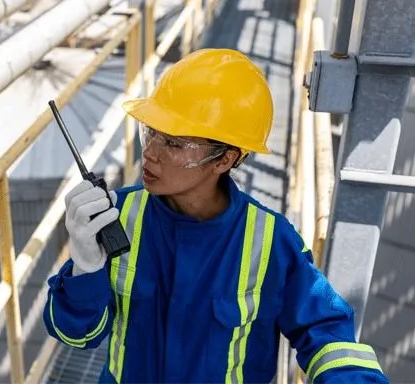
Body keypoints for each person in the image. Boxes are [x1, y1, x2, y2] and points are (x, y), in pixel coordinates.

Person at [42, 48, 389, 383]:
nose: (150, 153)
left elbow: (326, 333)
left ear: (225, 160)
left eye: (174, 143)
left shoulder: (271, 241)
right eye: (151, 133)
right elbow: (75, 337)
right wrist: (84, 269)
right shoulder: (117, 216)